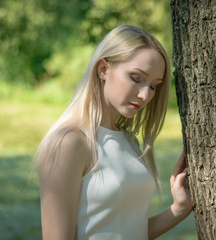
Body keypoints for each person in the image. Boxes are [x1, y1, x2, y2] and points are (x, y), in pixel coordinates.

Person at [36, 24, 193, 240]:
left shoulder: (130, 142)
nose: (145, 95)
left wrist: (179, 209)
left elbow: (130, 231)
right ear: (103, 69)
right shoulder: (70, 142)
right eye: (136, 78)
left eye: (154, 85)